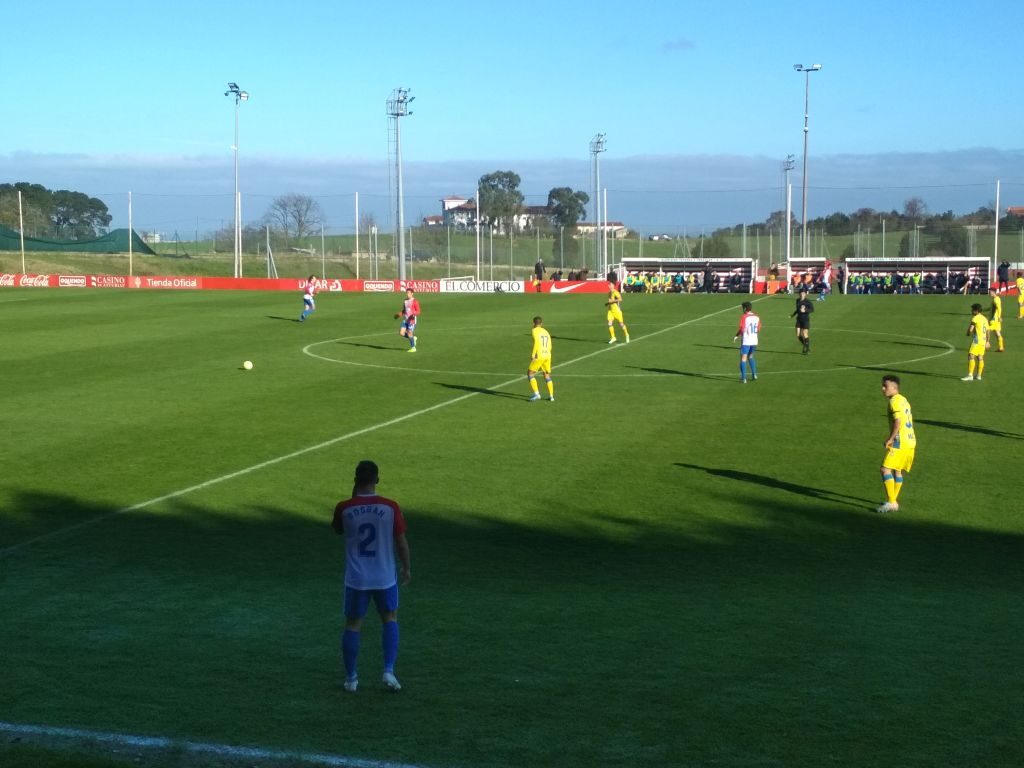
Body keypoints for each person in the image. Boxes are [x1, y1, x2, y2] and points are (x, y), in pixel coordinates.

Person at [331, 460, 411, 693]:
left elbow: (338, 529)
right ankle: (388, 670)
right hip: (385, 576)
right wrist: (406, 567)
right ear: (377, 479)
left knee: (353, 625)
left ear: (355, 480)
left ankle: (351, 679)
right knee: (390, 618)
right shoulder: (390, 507)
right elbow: (401, 542)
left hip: (357, 578)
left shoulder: (344, 508)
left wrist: (353, 497)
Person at [877, 375, 916, 514]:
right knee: (897, 470)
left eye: (885, 386)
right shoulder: (903, 399)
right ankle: (892, 500)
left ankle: (892, 502)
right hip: (911, 440)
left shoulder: (894, 401)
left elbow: (898, 422)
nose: (883, 389)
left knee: (885, 469)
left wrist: (890, 438)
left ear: (894, 387)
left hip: (901, 441)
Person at [732, 301, 760, 384]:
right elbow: (758, 328)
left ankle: (744, 378)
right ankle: (754, 374)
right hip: (754, 340)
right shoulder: (757, 317)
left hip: (746, 341)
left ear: (745, 308)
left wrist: (736, 336)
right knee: (751, 356)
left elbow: (742, 329)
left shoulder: (744, 317)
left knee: (743, 358)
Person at [527, 316, 554, 402]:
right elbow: (550, 345)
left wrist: (533, 354)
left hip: (540, 355)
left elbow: (537, 342)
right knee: (547, 375)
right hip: (548, 355)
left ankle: (537, 394)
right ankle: (551, 396)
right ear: (541, 324)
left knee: (530, 373)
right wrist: (548, 353)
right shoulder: (546, 331)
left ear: (533, 324)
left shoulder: (534, 330)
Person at [962, 303, 990, 381]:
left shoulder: (975, 318)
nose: (971, 311)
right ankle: (979, 375)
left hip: (977, 340)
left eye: (972, 310)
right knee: (980, 357)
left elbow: (971, 329)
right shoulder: (985, 318)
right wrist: (988, 341)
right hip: (983, 341)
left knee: (971, 355)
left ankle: (970, 375)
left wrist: (968, 333)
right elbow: (988, 331)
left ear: (976, 311)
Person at [605, 277, 630, 344]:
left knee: (621, 324)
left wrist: (612, 301)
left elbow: (620, 299)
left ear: (613, 285)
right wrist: (608, 303)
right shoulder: (609, 293)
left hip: (617, 310)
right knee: (609, 323)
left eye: (610, 285)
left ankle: (627, 334)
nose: (608, 286)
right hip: (610, 310)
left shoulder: (616, 292)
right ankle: (613, 337)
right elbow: (610, 301)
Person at [791, 287, 814, 354]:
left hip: (805, 319)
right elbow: (797, 309)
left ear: (805, 294)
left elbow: (812, 309)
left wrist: (805, 310)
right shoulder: (797, 300)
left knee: (804, 333)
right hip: (799, 319)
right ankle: (805, 344)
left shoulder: (808, 302)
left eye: (803, 293)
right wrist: (793, 315)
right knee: (798, 335)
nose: (802, 294)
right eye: (801, 293)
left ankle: (807, 349)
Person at [398, 288, 420, 352]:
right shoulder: (405, 301)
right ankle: (413, 338)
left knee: (409, 332)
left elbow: (418, 311)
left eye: (409, 293)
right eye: (407, 293)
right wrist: (399, 314)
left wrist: (414, 314)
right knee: (401, 333)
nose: (407, 294)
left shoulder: (415, 301)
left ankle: (413, 348)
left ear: (412, 293)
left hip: (412, 320)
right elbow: (404, 310)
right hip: (405, 320)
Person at [988, 286, 1005, 352]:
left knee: (987, 330)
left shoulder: (995, 299)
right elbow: (992, 308)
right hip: (996, 320)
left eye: (990, 292)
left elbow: (999, 308)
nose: (989, 293)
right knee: (997, 333)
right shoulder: (996, 298)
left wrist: (999, 317)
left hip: (994, 320)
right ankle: (1001, 347)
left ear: (993, 292)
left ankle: (987, 343)